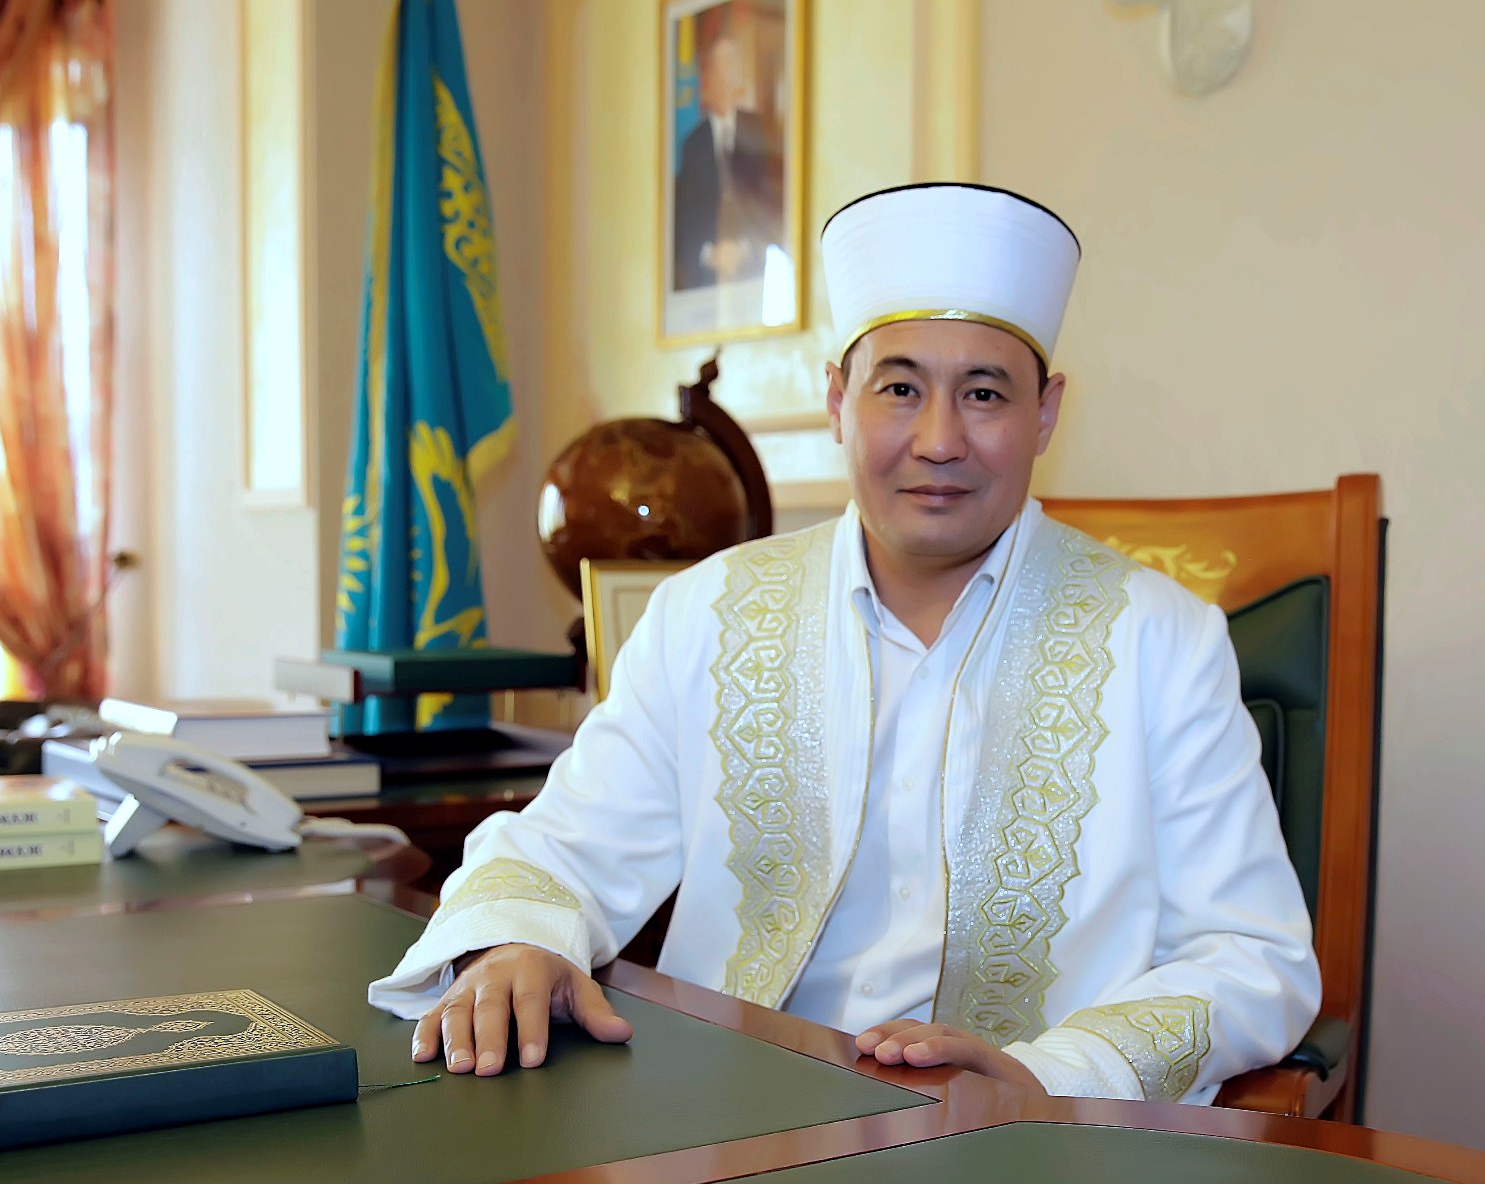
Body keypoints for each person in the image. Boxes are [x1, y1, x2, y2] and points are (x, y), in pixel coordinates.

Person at [370, 182, 1320, 1104]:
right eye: (899, 388)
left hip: (1013, 1148)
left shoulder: (1161, 641)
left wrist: (1053, 1075)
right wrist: (519, 941)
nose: (939, 439)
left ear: (1044, 413)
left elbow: (1252, 954)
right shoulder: (707, 613)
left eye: (984, 393)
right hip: (723, 1124)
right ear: (836, 401)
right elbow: (569, 847)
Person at [671, 34, 784, 290]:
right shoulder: (693, 145)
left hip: (754, 271)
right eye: (718, 68)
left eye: (730, 66)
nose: (724, 77)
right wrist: (711, 253)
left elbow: (771, 205)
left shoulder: (758, 131)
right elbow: (684, 222)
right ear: (708, 78)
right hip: (706, 280)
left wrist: (743, 248)